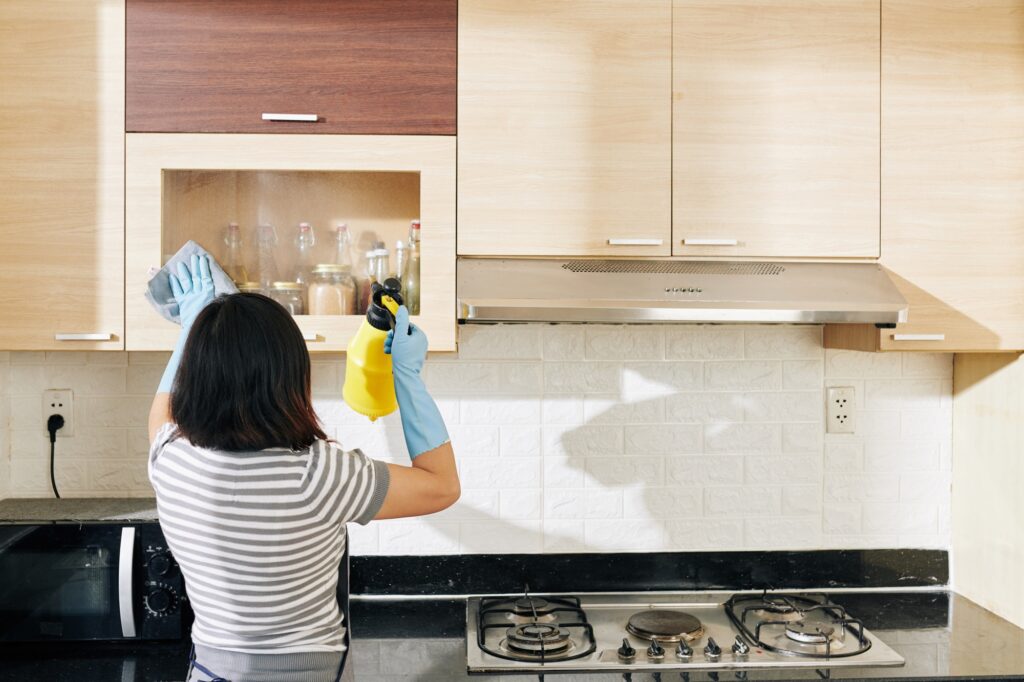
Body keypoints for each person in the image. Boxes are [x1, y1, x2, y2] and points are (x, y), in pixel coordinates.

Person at [147, 255, 459, 682]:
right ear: (291, 377)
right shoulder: (318, 474)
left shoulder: (172, 461)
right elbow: (441, 487)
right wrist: (407, 375)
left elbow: (161, 414)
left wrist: (193, 327)